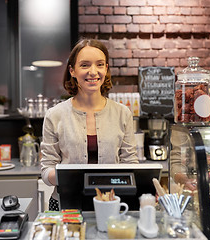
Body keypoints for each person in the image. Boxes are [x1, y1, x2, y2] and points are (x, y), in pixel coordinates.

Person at [40, 38, 139, 211]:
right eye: (85, 65)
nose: (93, 72)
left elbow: (130, 163)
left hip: (110, 203)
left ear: (106, 69)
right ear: (72, 70)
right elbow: (46, 171)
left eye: (100, 64)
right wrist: (72, 176)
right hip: (65, 204)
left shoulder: (123, 113)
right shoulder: (54, 115)